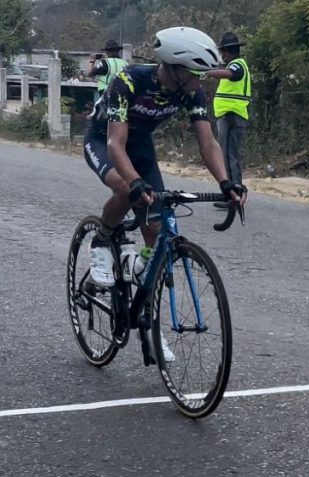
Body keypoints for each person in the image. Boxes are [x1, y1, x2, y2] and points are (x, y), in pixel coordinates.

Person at [83, 26, 248, 290]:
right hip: (104, 140)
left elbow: (207, 142)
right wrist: (135, 181)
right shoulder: (129, 81)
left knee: (156, 224)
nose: (200, 82)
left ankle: (141, 274)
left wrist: (225, 182)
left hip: (140, 146)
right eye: (196, 74)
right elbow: (116, 143)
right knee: (126, 188)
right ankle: (101, 241)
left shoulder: (191, 92)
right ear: (175, 68)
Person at [206, 32, 251, 209]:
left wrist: (207, 72)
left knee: (228, 156)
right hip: (230, 116)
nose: (222, 56)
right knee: (228, 155)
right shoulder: (236, 64)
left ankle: (234, 196)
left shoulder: (237, 65)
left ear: (228, 51)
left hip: (232, 116)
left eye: (223, 52)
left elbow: (231, 74)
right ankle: (233, 194)